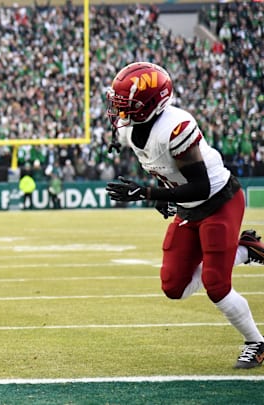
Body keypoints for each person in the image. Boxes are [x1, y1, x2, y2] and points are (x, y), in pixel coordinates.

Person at [104, 62, 264, 369]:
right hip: (188, 206)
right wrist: (162, 193)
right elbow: (159, 164)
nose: (119, 111)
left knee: (216, 285)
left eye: (126, 105)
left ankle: (256, 342)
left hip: (218, 201)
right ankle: (244, 249)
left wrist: (148, 193)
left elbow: (201, 186)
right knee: (173, 286)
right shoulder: (130, 128)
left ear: (150, 105)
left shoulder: (176, 127)